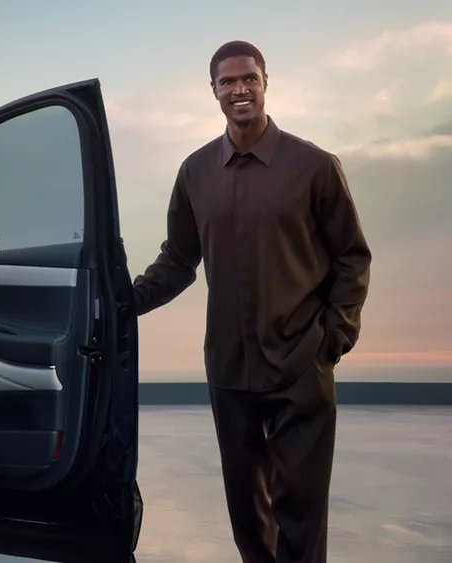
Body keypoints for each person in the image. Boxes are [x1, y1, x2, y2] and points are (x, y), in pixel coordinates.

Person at [133, 40, 371, 563]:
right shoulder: (195, 172)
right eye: (228, 82)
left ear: (266, 82)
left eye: (249, 79)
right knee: (246, 509)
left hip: (300, 363)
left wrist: (332, 340)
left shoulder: (314, 166)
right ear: (214, 91)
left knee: (301, 510)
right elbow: (178, 258)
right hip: (229, 365)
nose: (239, 89)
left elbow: (352, 257)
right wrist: (124, 301)